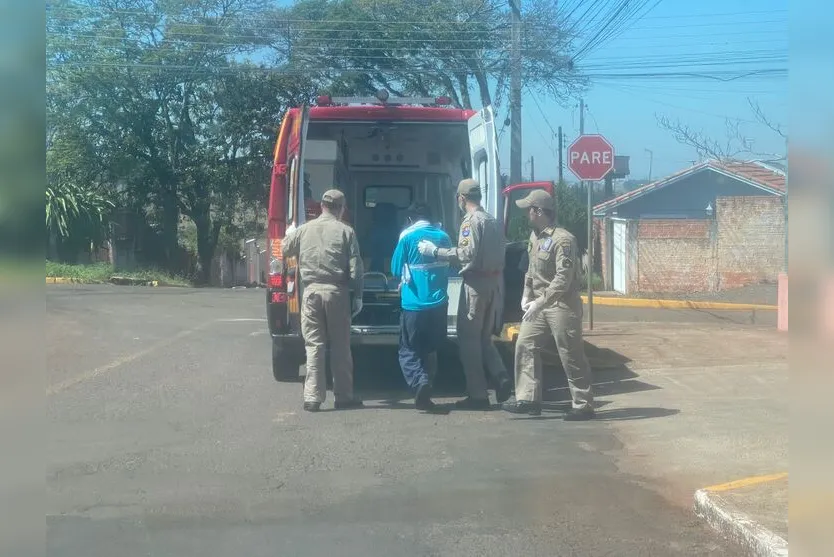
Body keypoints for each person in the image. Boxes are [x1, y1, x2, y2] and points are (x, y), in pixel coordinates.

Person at [417, 179, 512, 410]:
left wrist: (435, 252)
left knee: (468, 339)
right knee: (483, 338)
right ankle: (500, 375)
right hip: (494, 284)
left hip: (476, 286)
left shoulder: (470, 221)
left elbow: (466, 253)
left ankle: (478, 395)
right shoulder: (492, 220)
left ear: (461, 198)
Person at [501, 189, 594, 420]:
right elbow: (531, 271)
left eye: (529, 210)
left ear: (539, 211)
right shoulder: (535, 237)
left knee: (570, 354)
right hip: (539, 305)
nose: (526, 215)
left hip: (562, 305)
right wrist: (526, 295)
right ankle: (528, 399)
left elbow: (563, 279)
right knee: (525, 344)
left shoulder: (563, 239)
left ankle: (583, 405)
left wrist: (540, 302)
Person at [281, 189, 364, 412]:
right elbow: (356, 269)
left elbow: (285, 249)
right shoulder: (346, 231)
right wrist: (358, 295)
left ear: (321, 206)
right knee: (340, 346)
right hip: (336, 292)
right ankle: (344, 396)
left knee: (314, 345)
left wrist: (290, 233)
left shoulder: (305, 229)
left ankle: (312, 397)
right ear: (341, 208)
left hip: (311, 293)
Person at [390, 203, 453, 413]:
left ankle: (420, 382)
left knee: (408, 349)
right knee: (430, 349)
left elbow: (394, 268)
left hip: (414, 304)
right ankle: (427, 393)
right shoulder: (444, 237)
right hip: (439, 304)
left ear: (410, 220)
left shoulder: (407, 237)